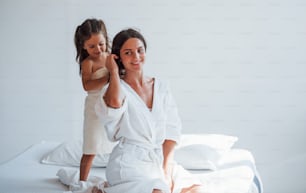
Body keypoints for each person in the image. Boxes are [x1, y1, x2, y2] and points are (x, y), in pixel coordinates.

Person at [95, 28, 204, 193]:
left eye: (140, 51)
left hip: (157, 160)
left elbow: (171, 130)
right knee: (157, 190)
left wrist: (166, 170)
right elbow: (114, 104)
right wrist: (114, 72)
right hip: (129, 162)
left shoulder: (161, 87)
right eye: (128, 53)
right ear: (118, 57)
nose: (136, 57)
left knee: (196, 189)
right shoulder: (115, 89)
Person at [74, 18, 116, 181]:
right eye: (92, 46)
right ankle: (82, 181)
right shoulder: (88, 63)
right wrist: (109, 77)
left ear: (106, 39)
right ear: (83, 46)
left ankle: (119, 177)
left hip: (111, 106)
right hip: (94, 108)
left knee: (117, 143)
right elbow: (87, 85)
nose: (98, 49)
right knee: (90, 147)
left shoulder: (110, 57)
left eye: (101, 44)